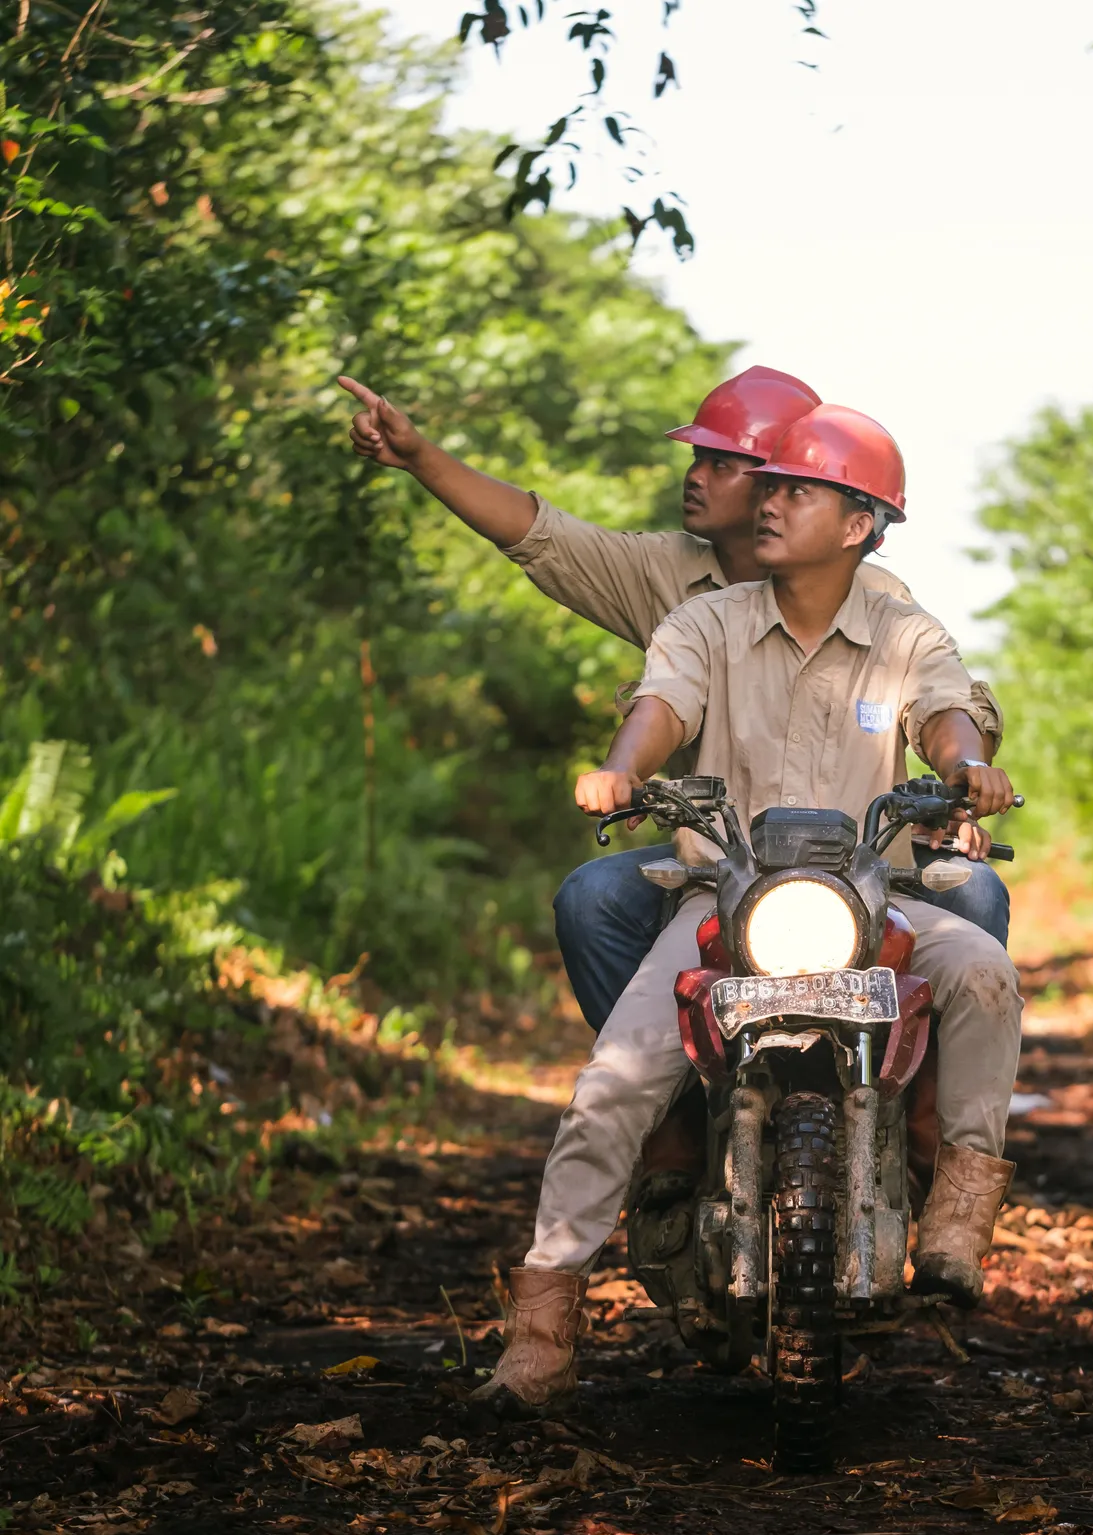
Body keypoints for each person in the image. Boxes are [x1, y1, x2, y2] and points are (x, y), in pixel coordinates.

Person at [475, 405, 1022, 1416]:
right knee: (612, 1086)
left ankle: (960, 1201)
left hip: (871, 899)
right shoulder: (707, 621)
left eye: (796, 490)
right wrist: (622, 769)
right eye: (763, 487)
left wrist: (966, 767)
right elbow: (663, 703)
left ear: (859, 522)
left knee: (985, 969)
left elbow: (944, 710)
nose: (767, 503)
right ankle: (543, 1323)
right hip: (724, 901)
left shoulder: (904, 629)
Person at [337, 368, 1013, 1029]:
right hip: (726, 856)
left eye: (724, 464)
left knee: (976, 893)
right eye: (699, 459)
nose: (697, 476)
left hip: (854, 855)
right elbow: (540, 535)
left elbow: (942, 703)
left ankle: (929, 1101)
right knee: (591, 897)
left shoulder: (878, 604)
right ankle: (671, 1091)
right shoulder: (671, 581)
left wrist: (958, 788)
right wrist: (420, 457)